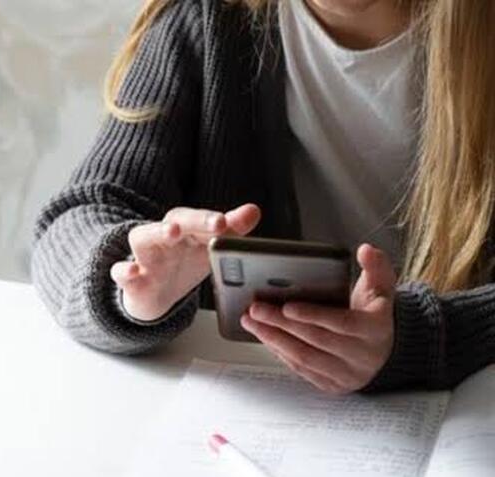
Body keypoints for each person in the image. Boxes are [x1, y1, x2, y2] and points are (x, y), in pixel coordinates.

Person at [32, 0, 495, 394]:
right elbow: (79, 217)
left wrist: (419, 341)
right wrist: (133, 282)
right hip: (261, 414)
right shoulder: (209, 20)